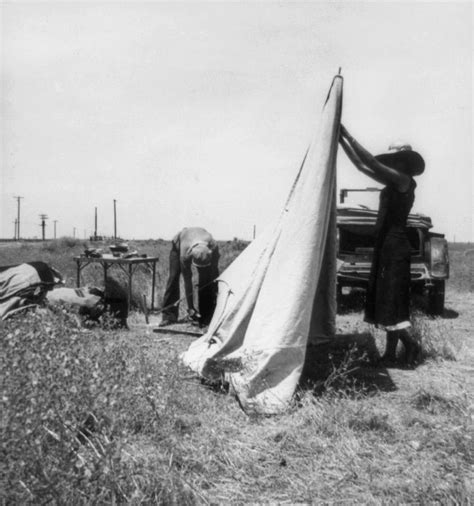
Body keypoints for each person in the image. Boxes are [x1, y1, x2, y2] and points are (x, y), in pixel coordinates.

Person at [339, 125, 424, 365]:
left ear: (404, 162)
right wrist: (340, 140)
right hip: (386, 245)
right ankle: (399, 350)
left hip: (396, 247)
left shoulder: (404, 180)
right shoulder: (393, 181)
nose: (394, 163)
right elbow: (361, 166)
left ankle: (407, 347)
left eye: (397, 159)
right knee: (387, 300)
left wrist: (348, 135)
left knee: (392, 300)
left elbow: (372, 165)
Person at [160, 227, 219, 327]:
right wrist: (190, 308)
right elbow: (187, 281)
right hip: (179, 244)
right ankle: (169, 316)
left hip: (200, 242)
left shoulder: (213, 246)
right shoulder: (185, 253)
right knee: (173, 277)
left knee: (207, 281)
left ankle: (206, 317)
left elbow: (214, 275)